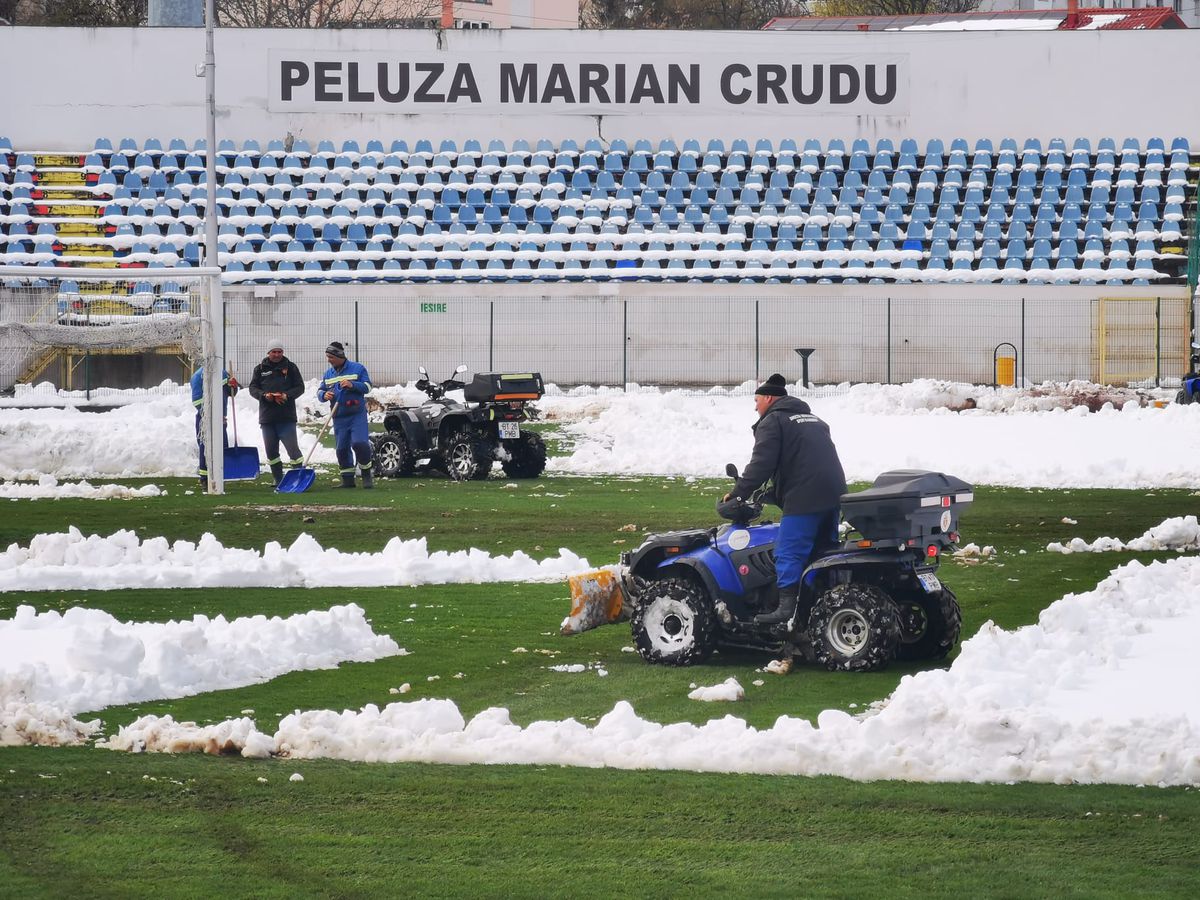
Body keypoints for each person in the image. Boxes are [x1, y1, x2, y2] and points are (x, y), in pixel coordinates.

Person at [724, 373, 846, 625]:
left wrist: (738, 494)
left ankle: (786, 610)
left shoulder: (774, 421)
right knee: (823, 552)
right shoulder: (814, 420)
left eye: (757, 400)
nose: (755, 406)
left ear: (769, 398)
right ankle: (823, 604)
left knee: (789, 551)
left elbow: (761, 464)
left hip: (805, 497)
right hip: (834, 494)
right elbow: (803, 458)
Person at [248, 337, 305, 487]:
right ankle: (278, 478)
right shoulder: (260, 369)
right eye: (274, 352)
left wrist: (287, 395)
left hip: (286, 417)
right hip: (267, 418)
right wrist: (264, 395)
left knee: (293, 450)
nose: (277, 354)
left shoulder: (291, 367)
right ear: (269, 353)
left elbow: (300, 387)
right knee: (271, 451)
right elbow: (253, 388)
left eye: (280, 351)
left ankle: (298, 476)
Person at [318, 340, 373, 489]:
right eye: (327, 357)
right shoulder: (328, 374)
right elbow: (320, 391)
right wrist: (324, 395)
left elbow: (368, 386)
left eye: (331, 357)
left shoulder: (358, 368)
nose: (328, 360)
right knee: (341, 448)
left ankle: (366, 472)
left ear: (339, 356)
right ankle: (347, 479)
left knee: (359, 443)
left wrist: (352, 384)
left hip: (356, 414)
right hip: (339, 416)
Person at [190, 365, 238, 487]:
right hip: (204, 419)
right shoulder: (198, 377)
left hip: (221, 419)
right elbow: (197, 401)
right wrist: (212, 415)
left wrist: (233, 386)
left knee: (222, 446)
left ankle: (220, 474)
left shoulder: (222, 374)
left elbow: (230, 393)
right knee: (205, 448)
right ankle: (205, 478)